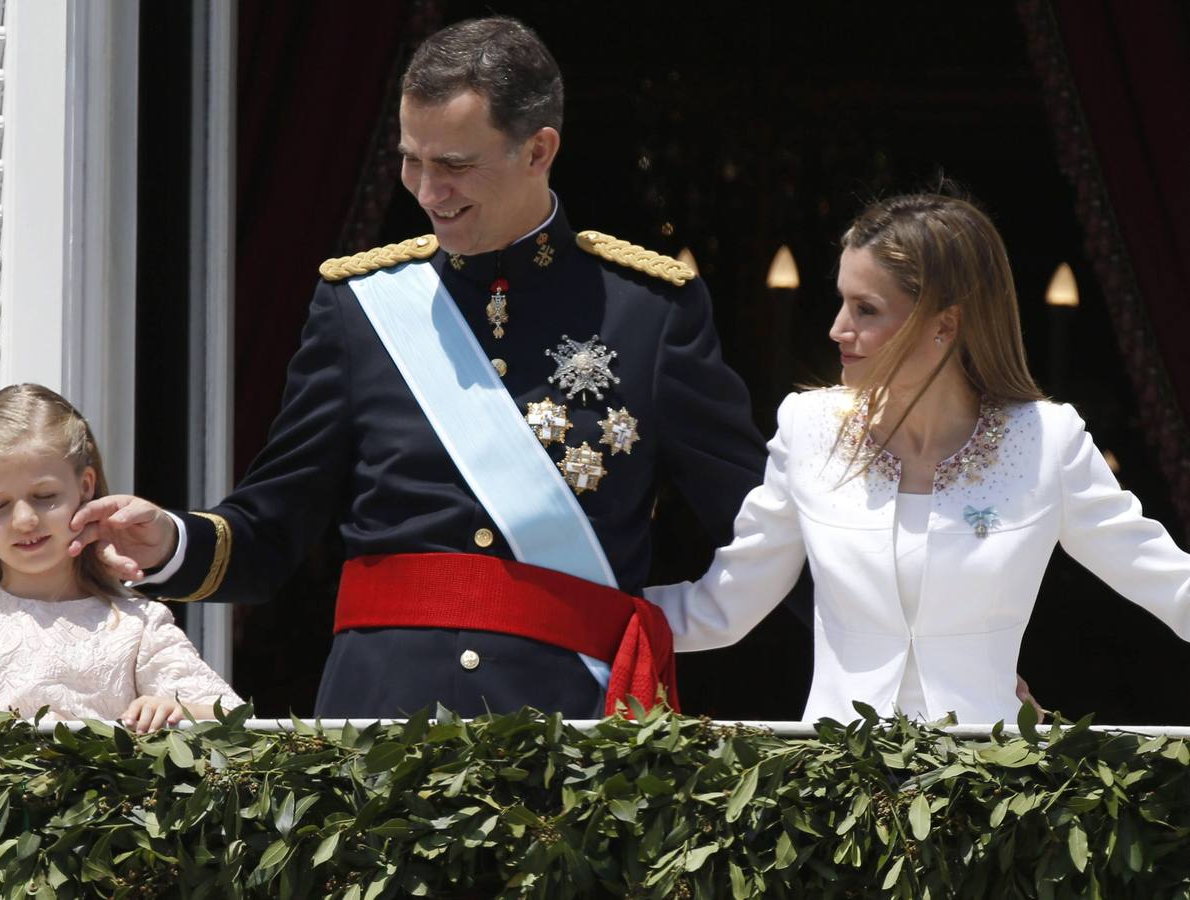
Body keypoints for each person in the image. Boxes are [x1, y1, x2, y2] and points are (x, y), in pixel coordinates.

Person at [68, 17, 769, 718]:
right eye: (412, 160)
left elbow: (761, 523)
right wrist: (169, 540)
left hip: (568, 727)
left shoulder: (648, 313)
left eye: (455, 165)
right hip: (383, 717)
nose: (428, 191)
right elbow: (273, 525)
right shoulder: (360, 307)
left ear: (539, 150)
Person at [645, 191, 1190, 724]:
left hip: (992, 793)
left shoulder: (1049, 440)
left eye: (866, 309)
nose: (838, 328)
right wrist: (576, 619)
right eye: (841, 301)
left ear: (944, 324)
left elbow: (1167, 581)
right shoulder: (808, 427)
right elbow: (724, 606)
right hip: (832, 791)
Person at [0, 384, 243, 738]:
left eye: (44, 497)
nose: (24, 520)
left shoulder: (137, 625)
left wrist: (177, 709)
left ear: (84, 487)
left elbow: (232, 718)